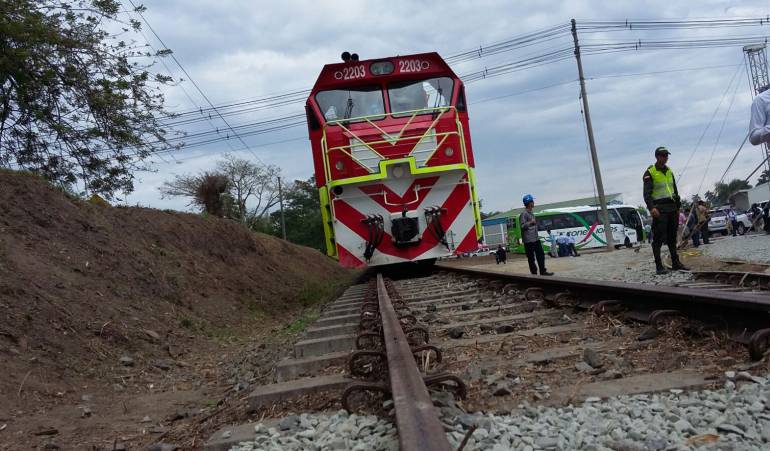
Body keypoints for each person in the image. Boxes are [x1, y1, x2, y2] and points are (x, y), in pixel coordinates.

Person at [643, 146, 689, 275]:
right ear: (657, 157)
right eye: (663, 155)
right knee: (658, 238)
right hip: (659, 209)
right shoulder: (650, 172)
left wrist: (678, 206)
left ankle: (676, 263)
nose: (666, 158)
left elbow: (674, 189)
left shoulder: (669, 171)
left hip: (672, 208)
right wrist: (651, 208)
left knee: (671, 238)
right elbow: (647, 193)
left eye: (667, 155)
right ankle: (659, 266)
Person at [519, 194, 553, 276]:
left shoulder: (531, 213)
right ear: (529, 203)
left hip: (535, 238)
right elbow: (522, 226)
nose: (534, 202)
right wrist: (531, 222)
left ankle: (543, 271)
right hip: (529, 240)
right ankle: (534, 273)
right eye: (532, 201)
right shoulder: (524, 214)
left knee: (540, 255)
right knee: (531, 258)